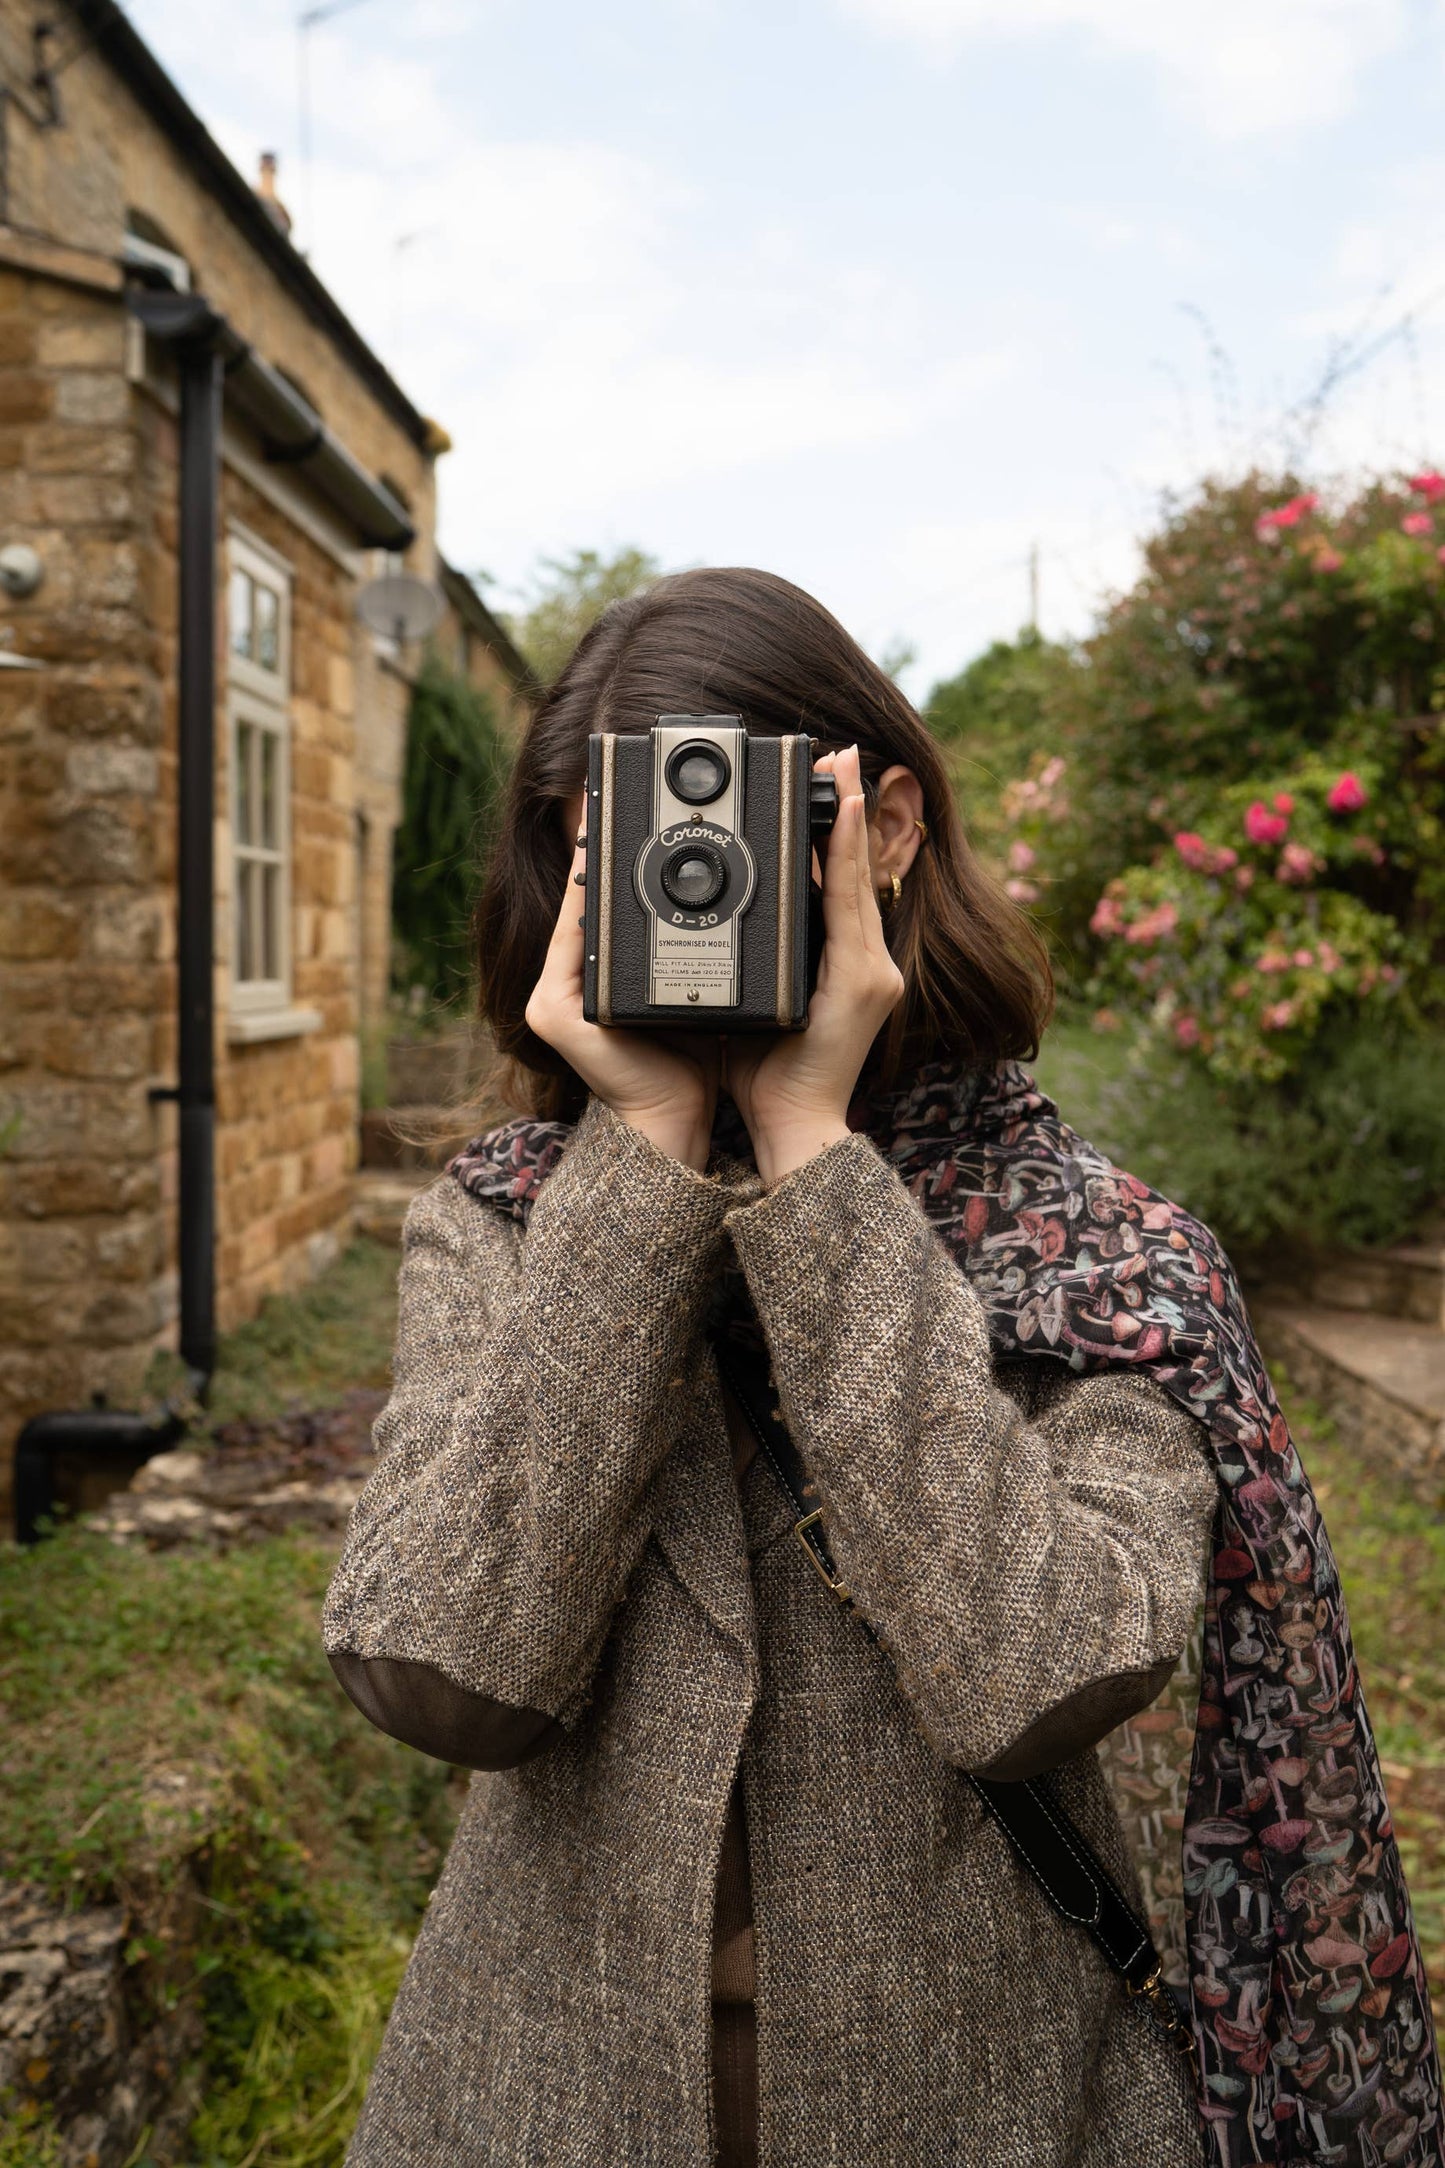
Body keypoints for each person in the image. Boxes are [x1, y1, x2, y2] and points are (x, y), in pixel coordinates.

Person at [323, 569, 1439, 2168]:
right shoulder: (507, 1226)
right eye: (613, 848)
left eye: (714, 831)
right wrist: (639, 1160)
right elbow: (437, 1669)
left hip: (1000, 2100)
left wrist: (805, 1155)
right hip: (531, 2097)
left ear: (884, 829)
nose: (678, 882)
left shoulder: (1099, 1261)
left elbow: (1039, 1672)